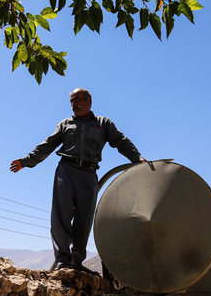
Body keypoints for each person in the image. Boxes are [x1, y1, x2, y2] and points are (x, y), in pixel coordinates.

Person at [10, 88, 146, 273]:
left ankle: (76, 262)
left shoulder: (103, 123)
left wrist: (136, 157)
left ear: (89, 100)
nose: (74, 105)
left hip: (89, 174)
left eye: (77, 100)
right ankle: (63, 260)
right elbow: (47, 145)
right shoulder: (65, 124)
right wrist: (26, 161)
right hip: (66, 171)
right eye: (71, 102)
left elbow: (120, 140)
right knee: (61, 215)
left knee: (84, 218)